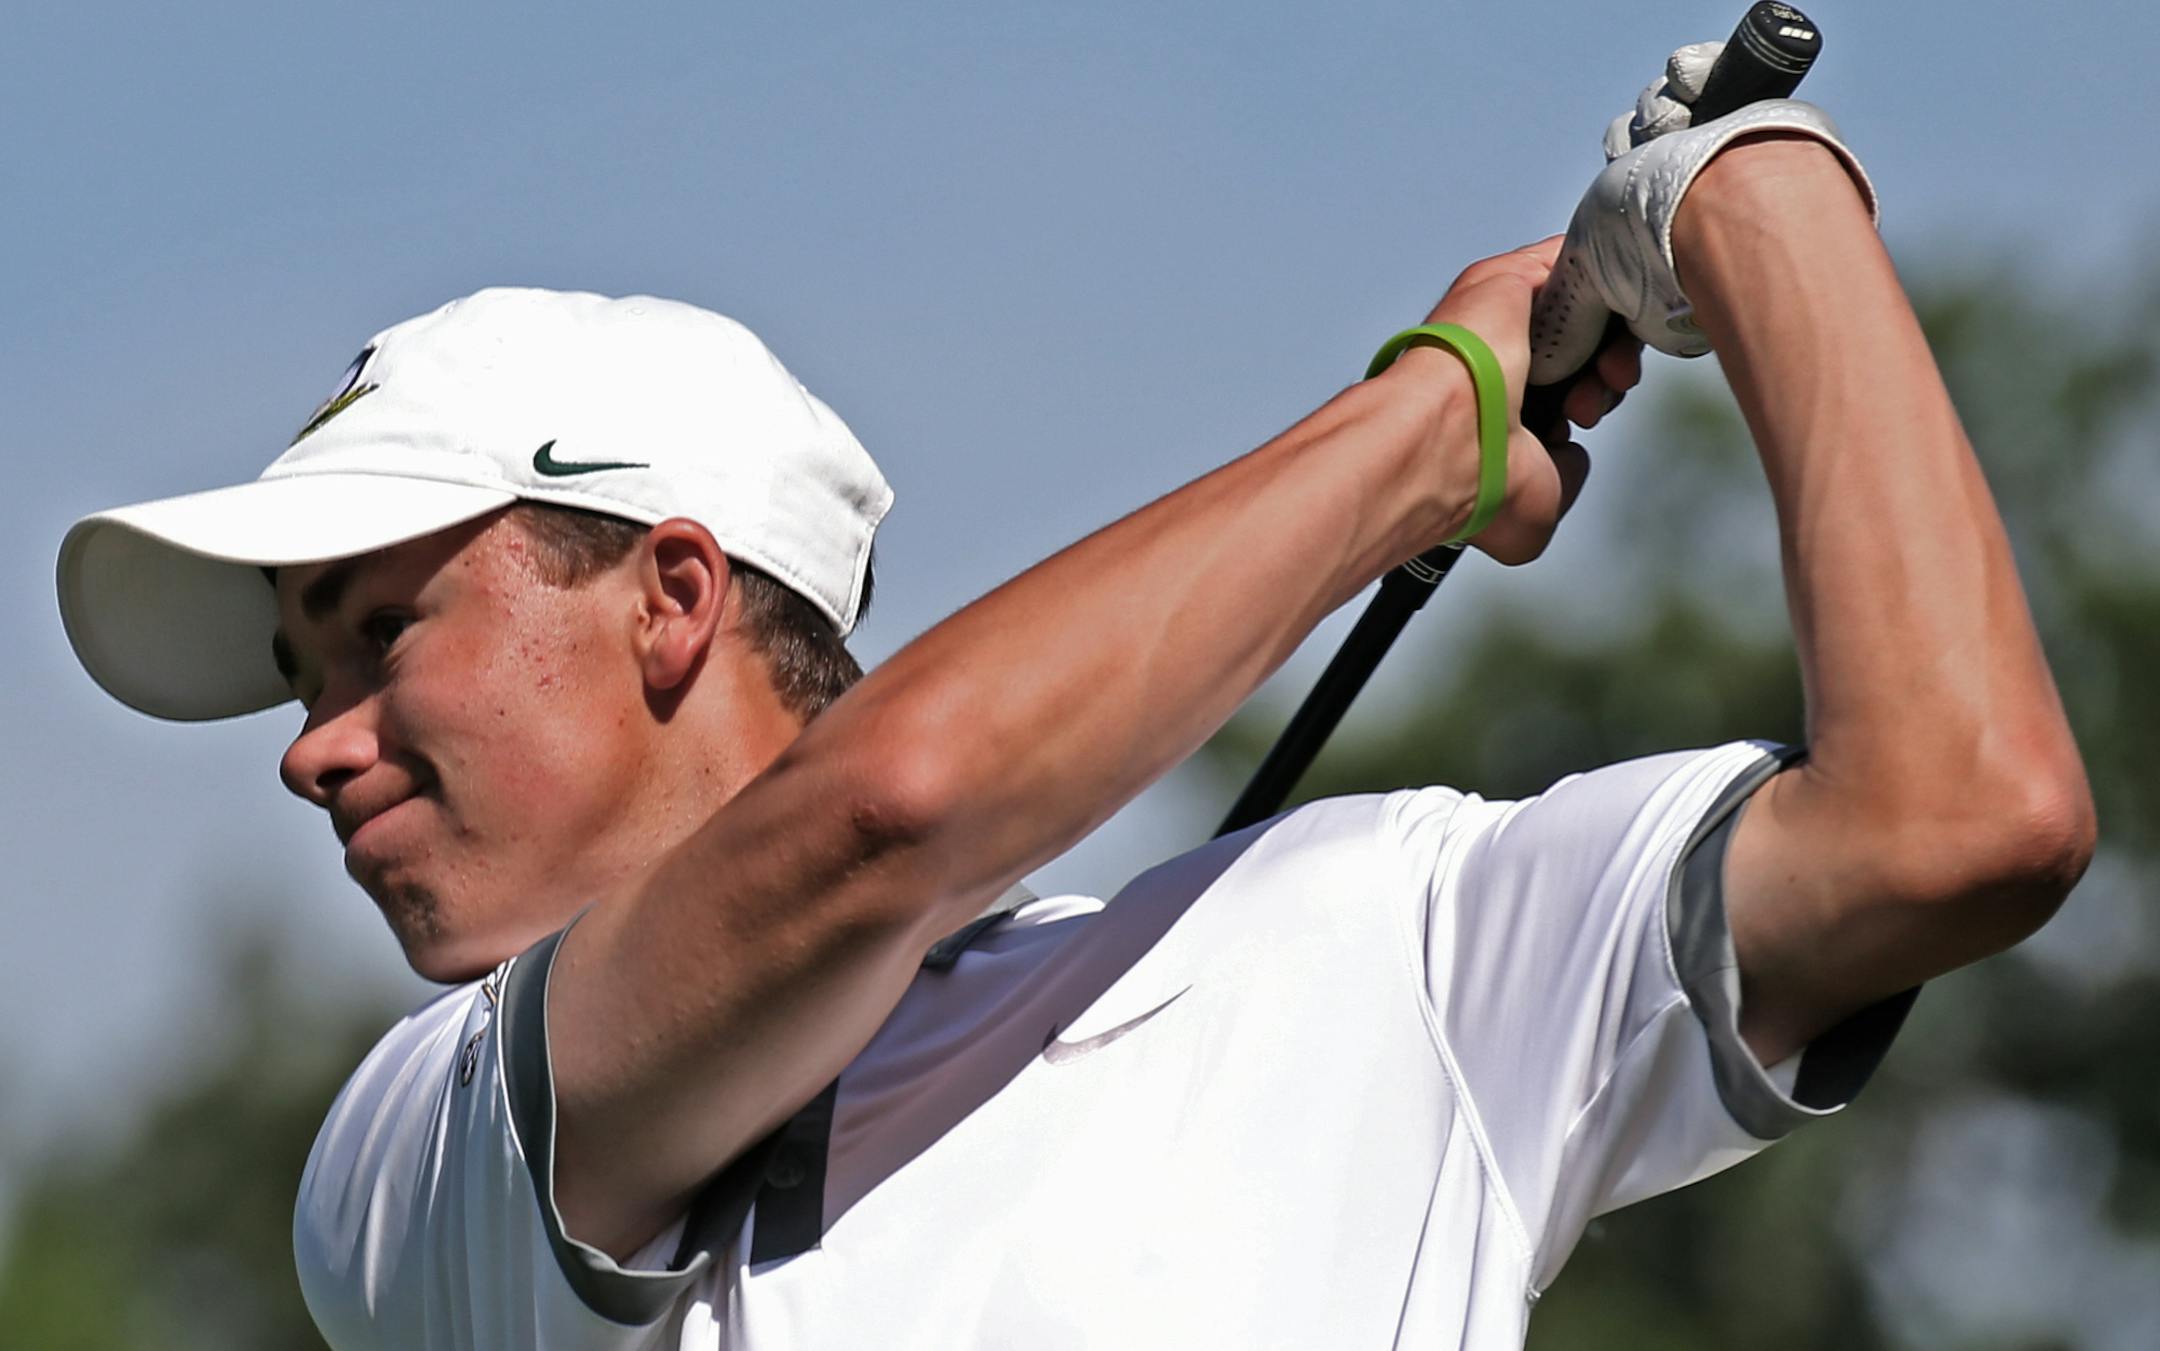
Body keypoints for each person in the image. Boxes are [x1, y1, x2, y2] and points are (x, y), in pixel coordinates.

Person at [55, 49, 2092, 1351]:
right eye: (301, 676)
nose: (309, 747)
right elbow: (889, 811)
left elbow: (1960, 817)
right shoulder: (407, 1161)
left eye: (373, 632)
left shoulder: (1378, 935)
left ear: (673, 595)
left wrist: (1755, 202)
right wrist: (1435, 424)